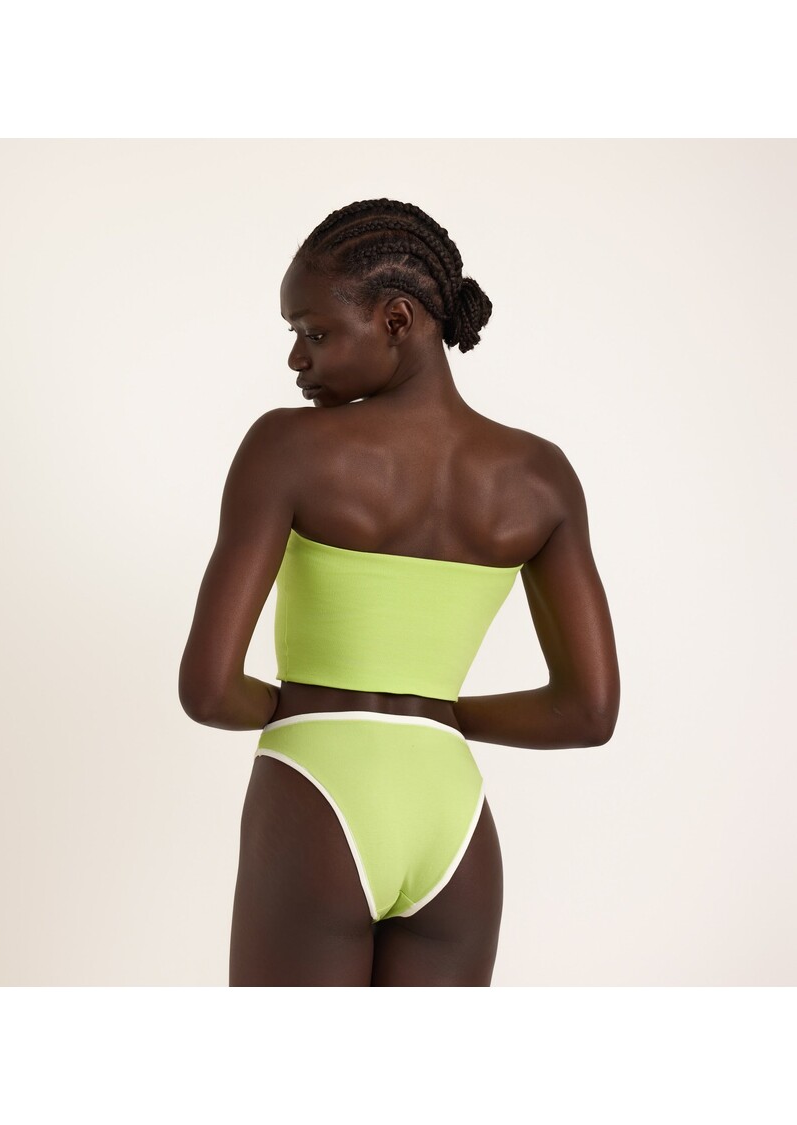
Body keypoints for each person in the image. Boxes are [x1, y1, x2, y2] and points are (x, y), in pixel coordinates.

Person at [178, 198, 620, 986]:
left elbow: (209, 691)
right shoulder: (541, 477)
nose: (296, 359)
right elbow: (589, 712)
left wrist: (298, 706)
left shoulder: (286, 448)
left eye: (314, 332)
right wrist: (439, 713)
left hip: (316, 796)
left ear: (396, 320)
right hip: (454, 819)